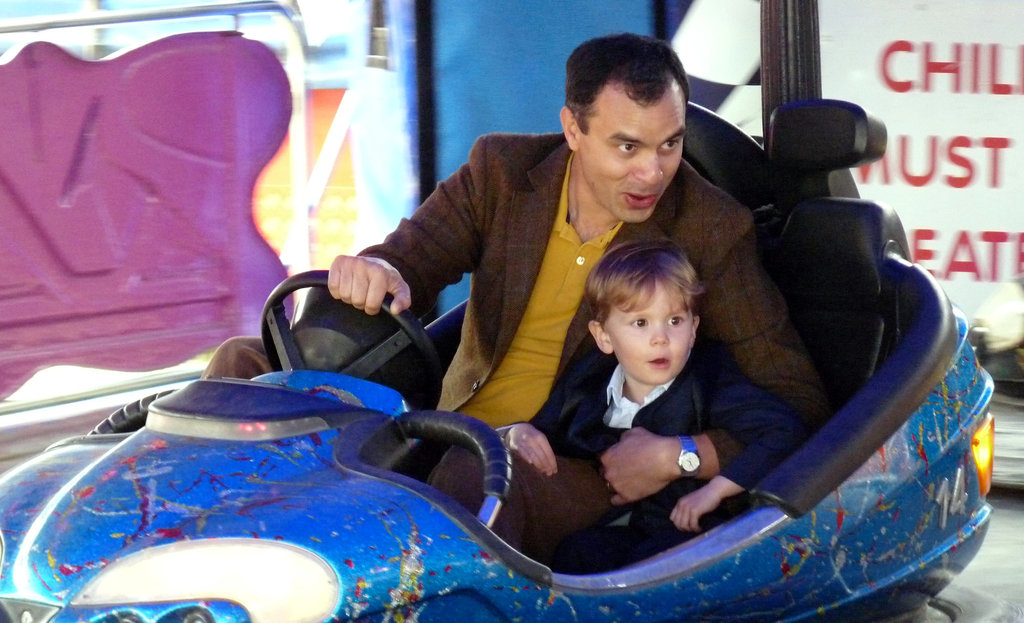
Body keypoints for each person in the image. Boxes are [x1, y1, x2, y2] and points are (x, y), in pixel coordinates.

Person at [205, 32, 828, 562]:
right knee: (239, 370)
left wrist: (683, 455)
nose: (652, 172)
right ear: (572, 129)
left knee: (475, 474)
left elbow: (798, 399)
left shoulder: (710, 227)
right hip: (441, 417)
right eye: (627, 146)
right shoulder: (503, 173)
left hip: (572, 456)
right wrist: (374, 271)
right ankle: (205, 566)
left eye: (669, 144)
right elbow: (411, 257)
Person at [503, 240, 807, 573]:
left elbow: (783, 431)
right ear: (603, 336)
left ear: (694, 329)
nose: (660, 338)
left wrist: (716, 492)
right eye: (640, 323)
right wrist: (519, 432)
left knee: (646, 565)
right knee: (575, 555)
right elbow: (544, 428)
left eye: (675, 321)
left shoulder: (709, 380)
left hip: (695, 529)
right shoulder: (589, 379)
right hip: (627, 524)